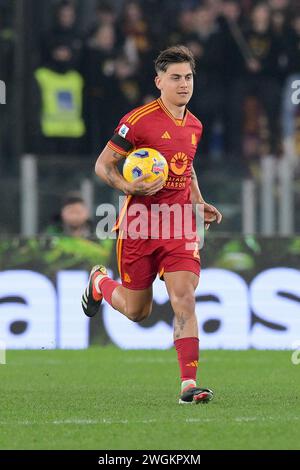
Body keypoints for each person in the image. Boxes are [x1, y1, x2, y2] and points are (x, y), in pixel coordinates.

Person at [81, 45, 222, 404]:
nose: (183, 84)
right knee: (136, 311)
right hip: (139, 227)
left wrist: (198, 201)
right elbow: (103, 166)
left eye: (188, 77)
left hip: (178, 226)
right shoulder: (138, 120)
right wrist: (129, 186)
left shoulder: (195, 125)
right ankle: (99, 282)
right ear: (159, 81)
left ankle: (188, 385)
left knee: (184, 298)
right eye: (175, 77)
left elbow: (185, 167)